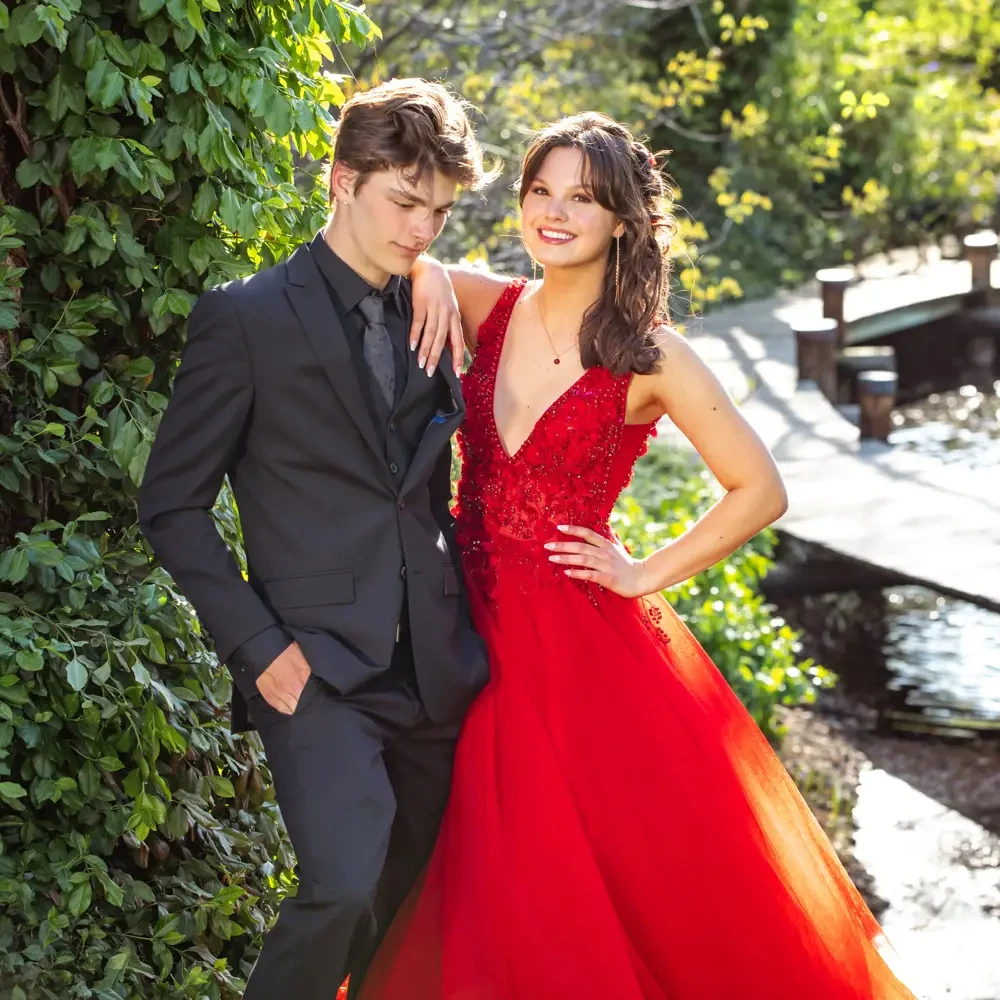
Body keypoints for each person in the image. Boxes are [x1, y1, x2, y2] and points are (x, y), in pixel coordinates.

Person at [353, 113, 921, 998]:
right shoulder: (486, 304)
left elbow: (760, 490)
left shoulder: (651, 353)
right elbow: (396, 257)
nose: (554, 211)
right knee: (457, 865)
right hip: (455, 615)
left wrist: (640, 571)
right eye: (541, 190)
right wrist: (426, 270)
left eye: (582, 197)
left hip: (574, 647)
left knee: (553, 875)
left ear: (621, 219)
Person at [137, 79, 491, 999]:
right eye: (404, 203)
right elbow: (171, 503)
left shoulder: (432, 306)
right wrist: (257, 648)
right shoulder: (244, 320)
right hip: (315, 665)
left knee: (405, 901)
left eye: (440, 215)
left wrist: (440, 275)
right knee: (338, 883)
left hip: (437, 662)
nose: (421, 230)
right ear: (341, 178)